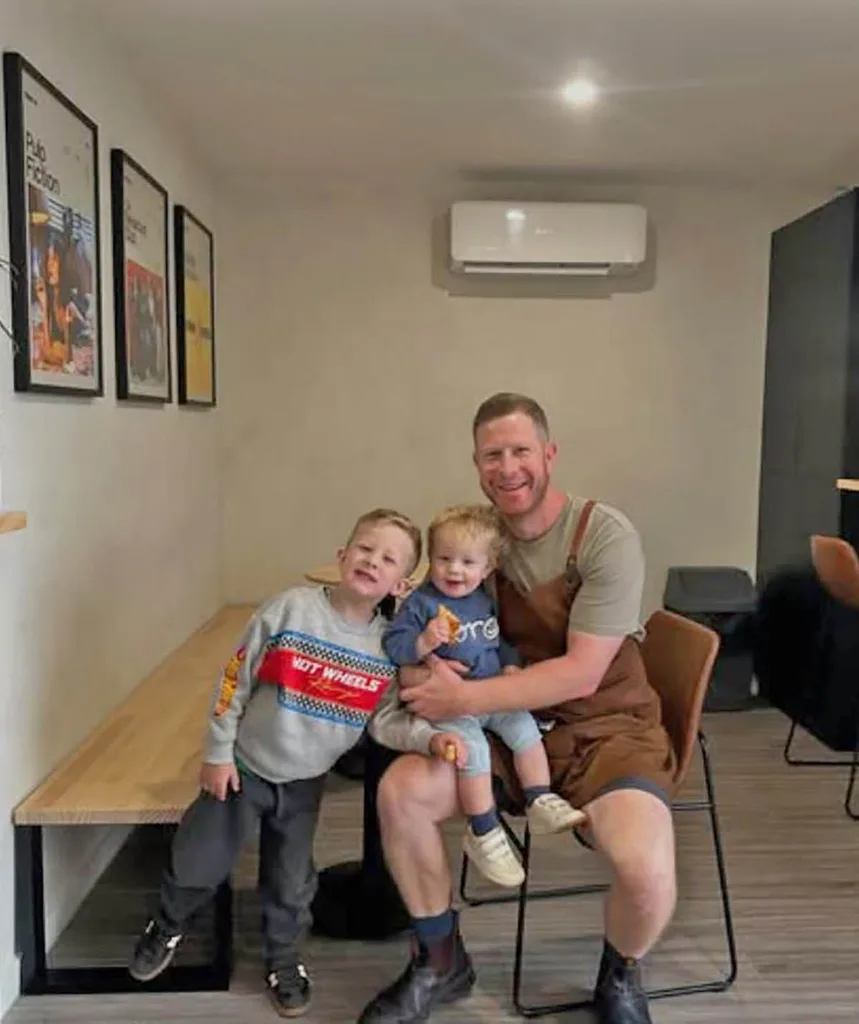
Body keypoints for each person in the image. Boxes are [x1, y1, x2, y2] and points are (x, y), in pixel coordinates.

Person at [362, 394, 677, 1024]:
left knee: (642, 866)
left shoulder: (602, 535)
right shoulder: (476, 541)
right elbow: (422, 608)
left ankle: (620, 974)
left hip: (605, 725)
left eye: (521, 452)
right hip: (504, 728)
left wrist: (463, 696)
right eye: (492, 455)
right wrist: (420, 657)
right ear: (477, 464)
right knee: (401, 793)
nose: (508, 468)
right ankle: (440, 959)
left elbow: (582, 671)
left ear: (549, 454)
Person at [127, 507, 422, 1018]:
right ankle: (168, 922)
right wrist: (218, 752)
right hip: (243, 767)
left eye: (389, 559)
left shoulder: (387, 649)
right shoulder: (289, 610)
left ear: (404, 582)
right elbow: (232, 682)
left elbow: (383, 723)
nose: (373, 562)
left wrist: (431, 737)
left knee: (291, 881)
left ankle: (283, 958)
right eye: (365, 549)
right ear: (341, 556)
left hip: (307, 782)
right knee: (200, 856)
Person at [383, 503, 585, 889]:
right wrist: (423, 642)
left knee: (525, 729)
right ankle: (484, 829)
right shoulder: (422, 604)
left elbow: (497, 641)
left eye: (467, 562)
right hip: (449, 706)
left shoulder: (482, 600)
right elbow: (394, 643)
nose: (454, 570)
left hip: (490, 696)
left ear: (488, 567)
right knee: (471, 751)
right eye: (444, 559)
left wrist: (511, 666)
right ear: (430, 559)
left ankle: (539, 797)